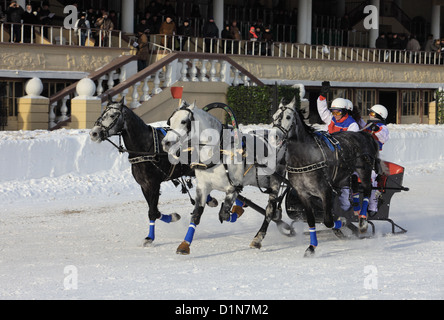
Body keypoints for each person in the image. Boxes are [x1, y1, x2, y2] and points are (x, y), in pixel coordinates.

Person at [358, 104, 390, 216]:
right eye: (370, 113)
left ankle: (372, 207)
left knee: (371, 178)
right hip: (362, 156)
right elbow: (359, 125)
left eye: (372, 114)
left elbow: (383, 136)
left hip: (374, 158)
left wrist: (376, 129)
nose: (370, 115)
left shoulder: (383, 127)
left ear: (378, 116)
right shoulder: (368, 125)